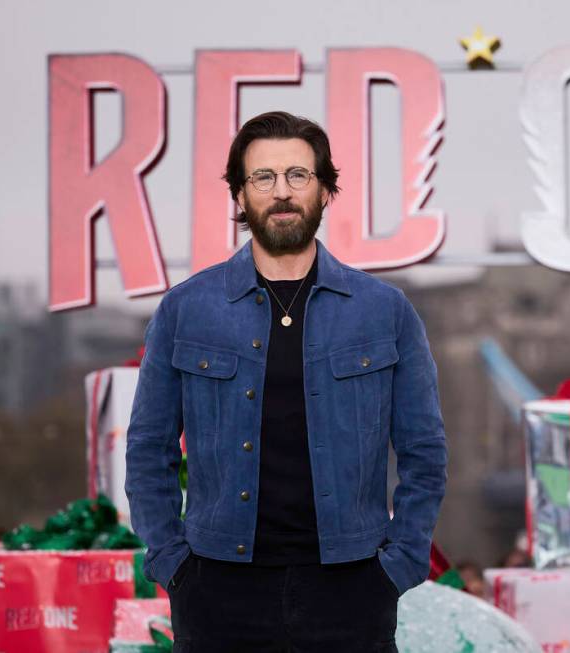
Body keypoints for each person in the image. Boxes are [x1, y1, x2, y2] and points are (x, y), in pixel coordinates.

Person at [125, 111, 448, 652]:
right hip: (216, 591)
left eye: (298, 175)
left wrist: (398, 565)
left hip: (353, 591)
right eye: (263, 178)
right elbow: (147, 449)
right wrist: (173, 565)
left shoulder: (384, 312)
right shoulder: (186, 310)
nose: (281, 192)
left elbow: (424, 451)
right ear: (239, 195)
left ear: (325, 191)